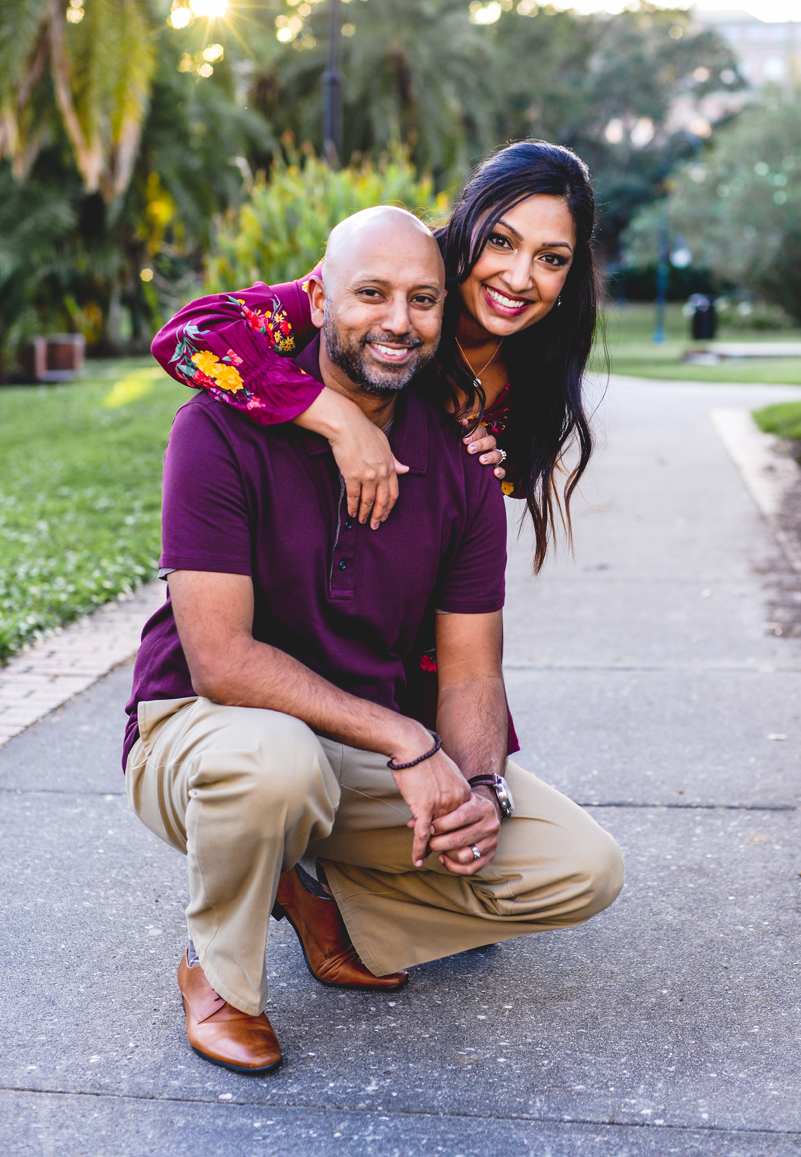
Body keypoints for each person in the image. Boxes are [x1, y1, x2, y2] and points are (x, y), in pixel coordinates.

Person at [126, 206, 623, 1075]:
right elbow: (221, 661)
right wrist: (406, 739)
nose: (398, 321)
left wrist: (476, 790)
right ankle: (221, 975)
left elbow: (471, 672)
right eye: (371, 295)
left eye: (422, 301)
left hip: (353, 747)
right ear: (317, 298)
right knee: (274, 763)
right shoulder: (218, 428)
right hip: (206, 730)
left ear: (443, 315)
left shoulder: (466, 462)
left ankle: (328, 900)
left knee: (582, 868)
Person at [151, 139, 599, 727]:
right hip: (295, 582)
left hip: (397, 640)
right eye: (501, 240)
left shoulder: (538, 369)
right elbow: (187, 339)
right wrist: (341, 422)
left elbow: (472, 516)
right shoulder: (387, 272)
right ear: (466, 228)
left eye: (551, 258)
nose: (519, 277)